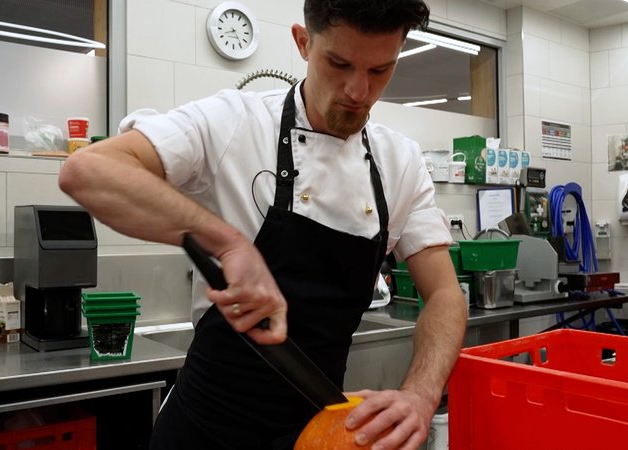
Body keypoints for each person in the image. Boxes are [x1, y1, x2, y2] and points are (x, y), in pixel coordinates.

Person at [59, 1, 468, 449]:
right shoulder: (235, 121)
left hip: (317, 433)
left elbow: (445, 295)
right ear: (303, 41)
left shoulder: (401, 162)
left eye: (380, 71)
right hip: (204, 429)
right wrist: (230, 245)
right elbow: (89, 172)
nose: (358, 89)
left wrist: (421, 395)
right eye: (339, 63)